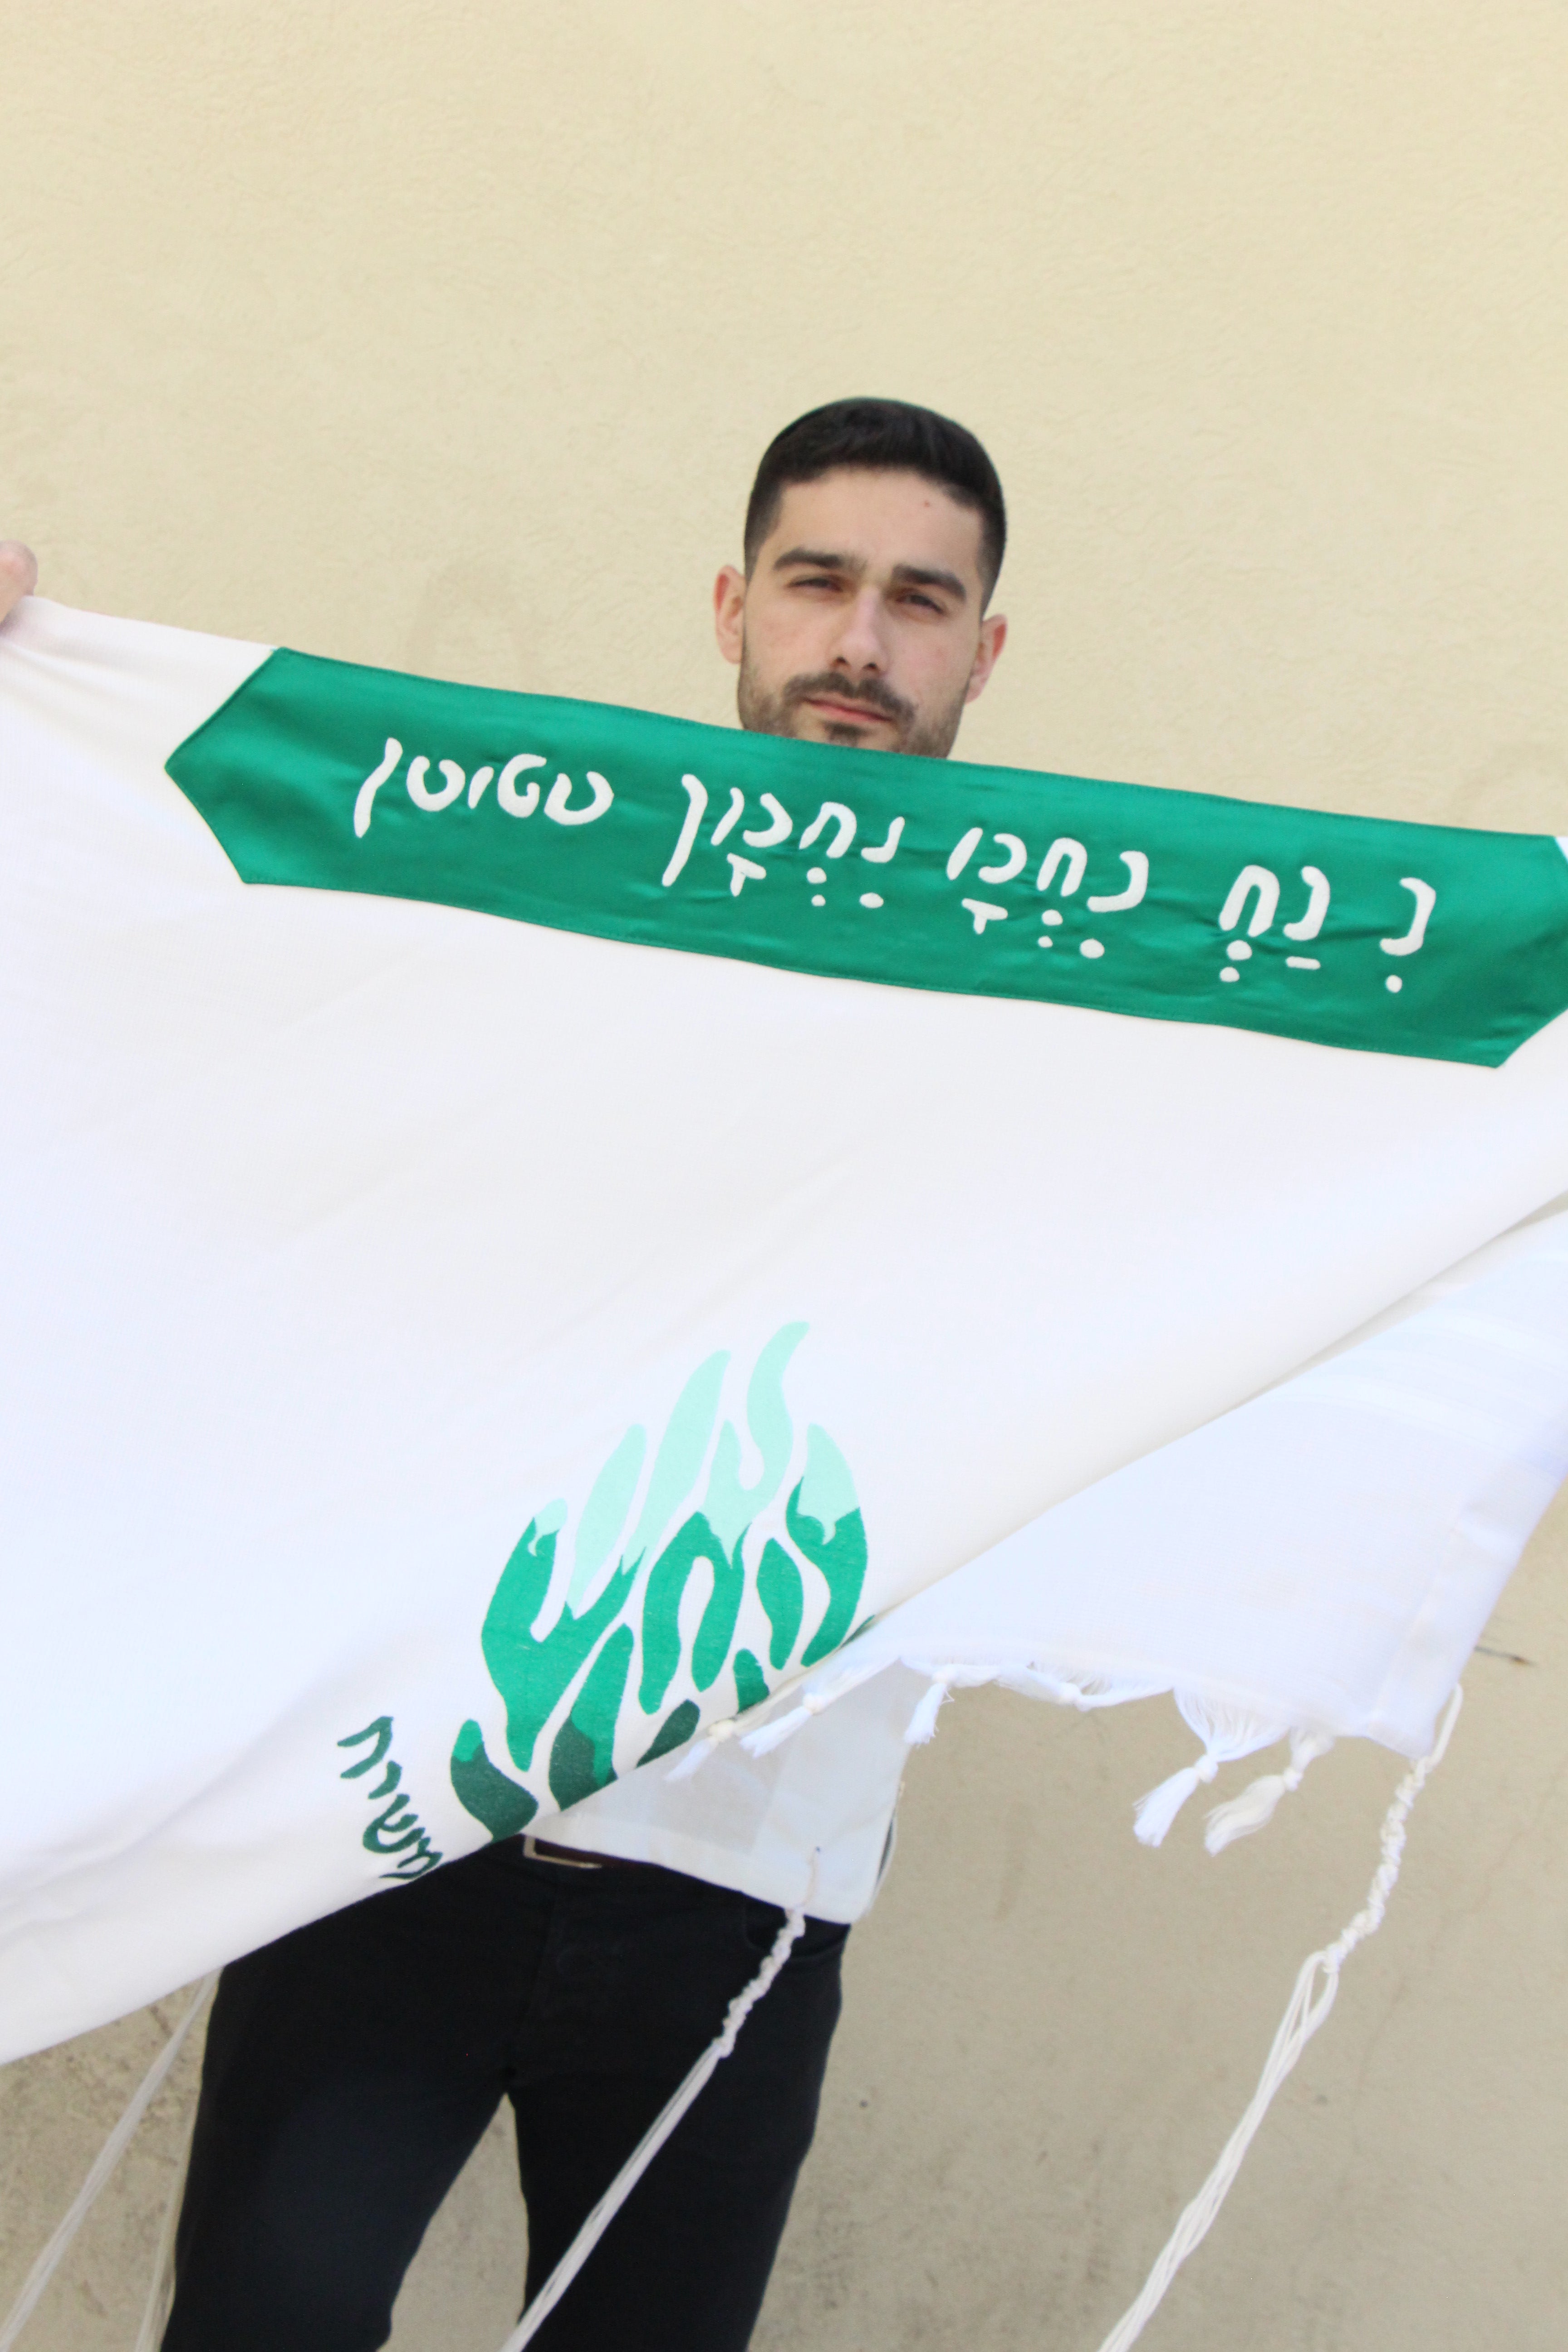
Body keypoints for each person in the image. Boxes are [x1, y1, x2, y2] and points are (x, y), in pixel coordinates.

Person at [0, 397, 1009, 2352]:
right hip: (393, 1815)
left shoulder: (1074, 993)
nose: (860, 644)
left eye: (918, 600)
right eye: (817, 582)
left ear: (984, 648)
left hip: (742, 1883)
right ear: (731, 603)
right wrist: (34, 720)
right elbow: (184, 973)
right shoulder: (528, 894)